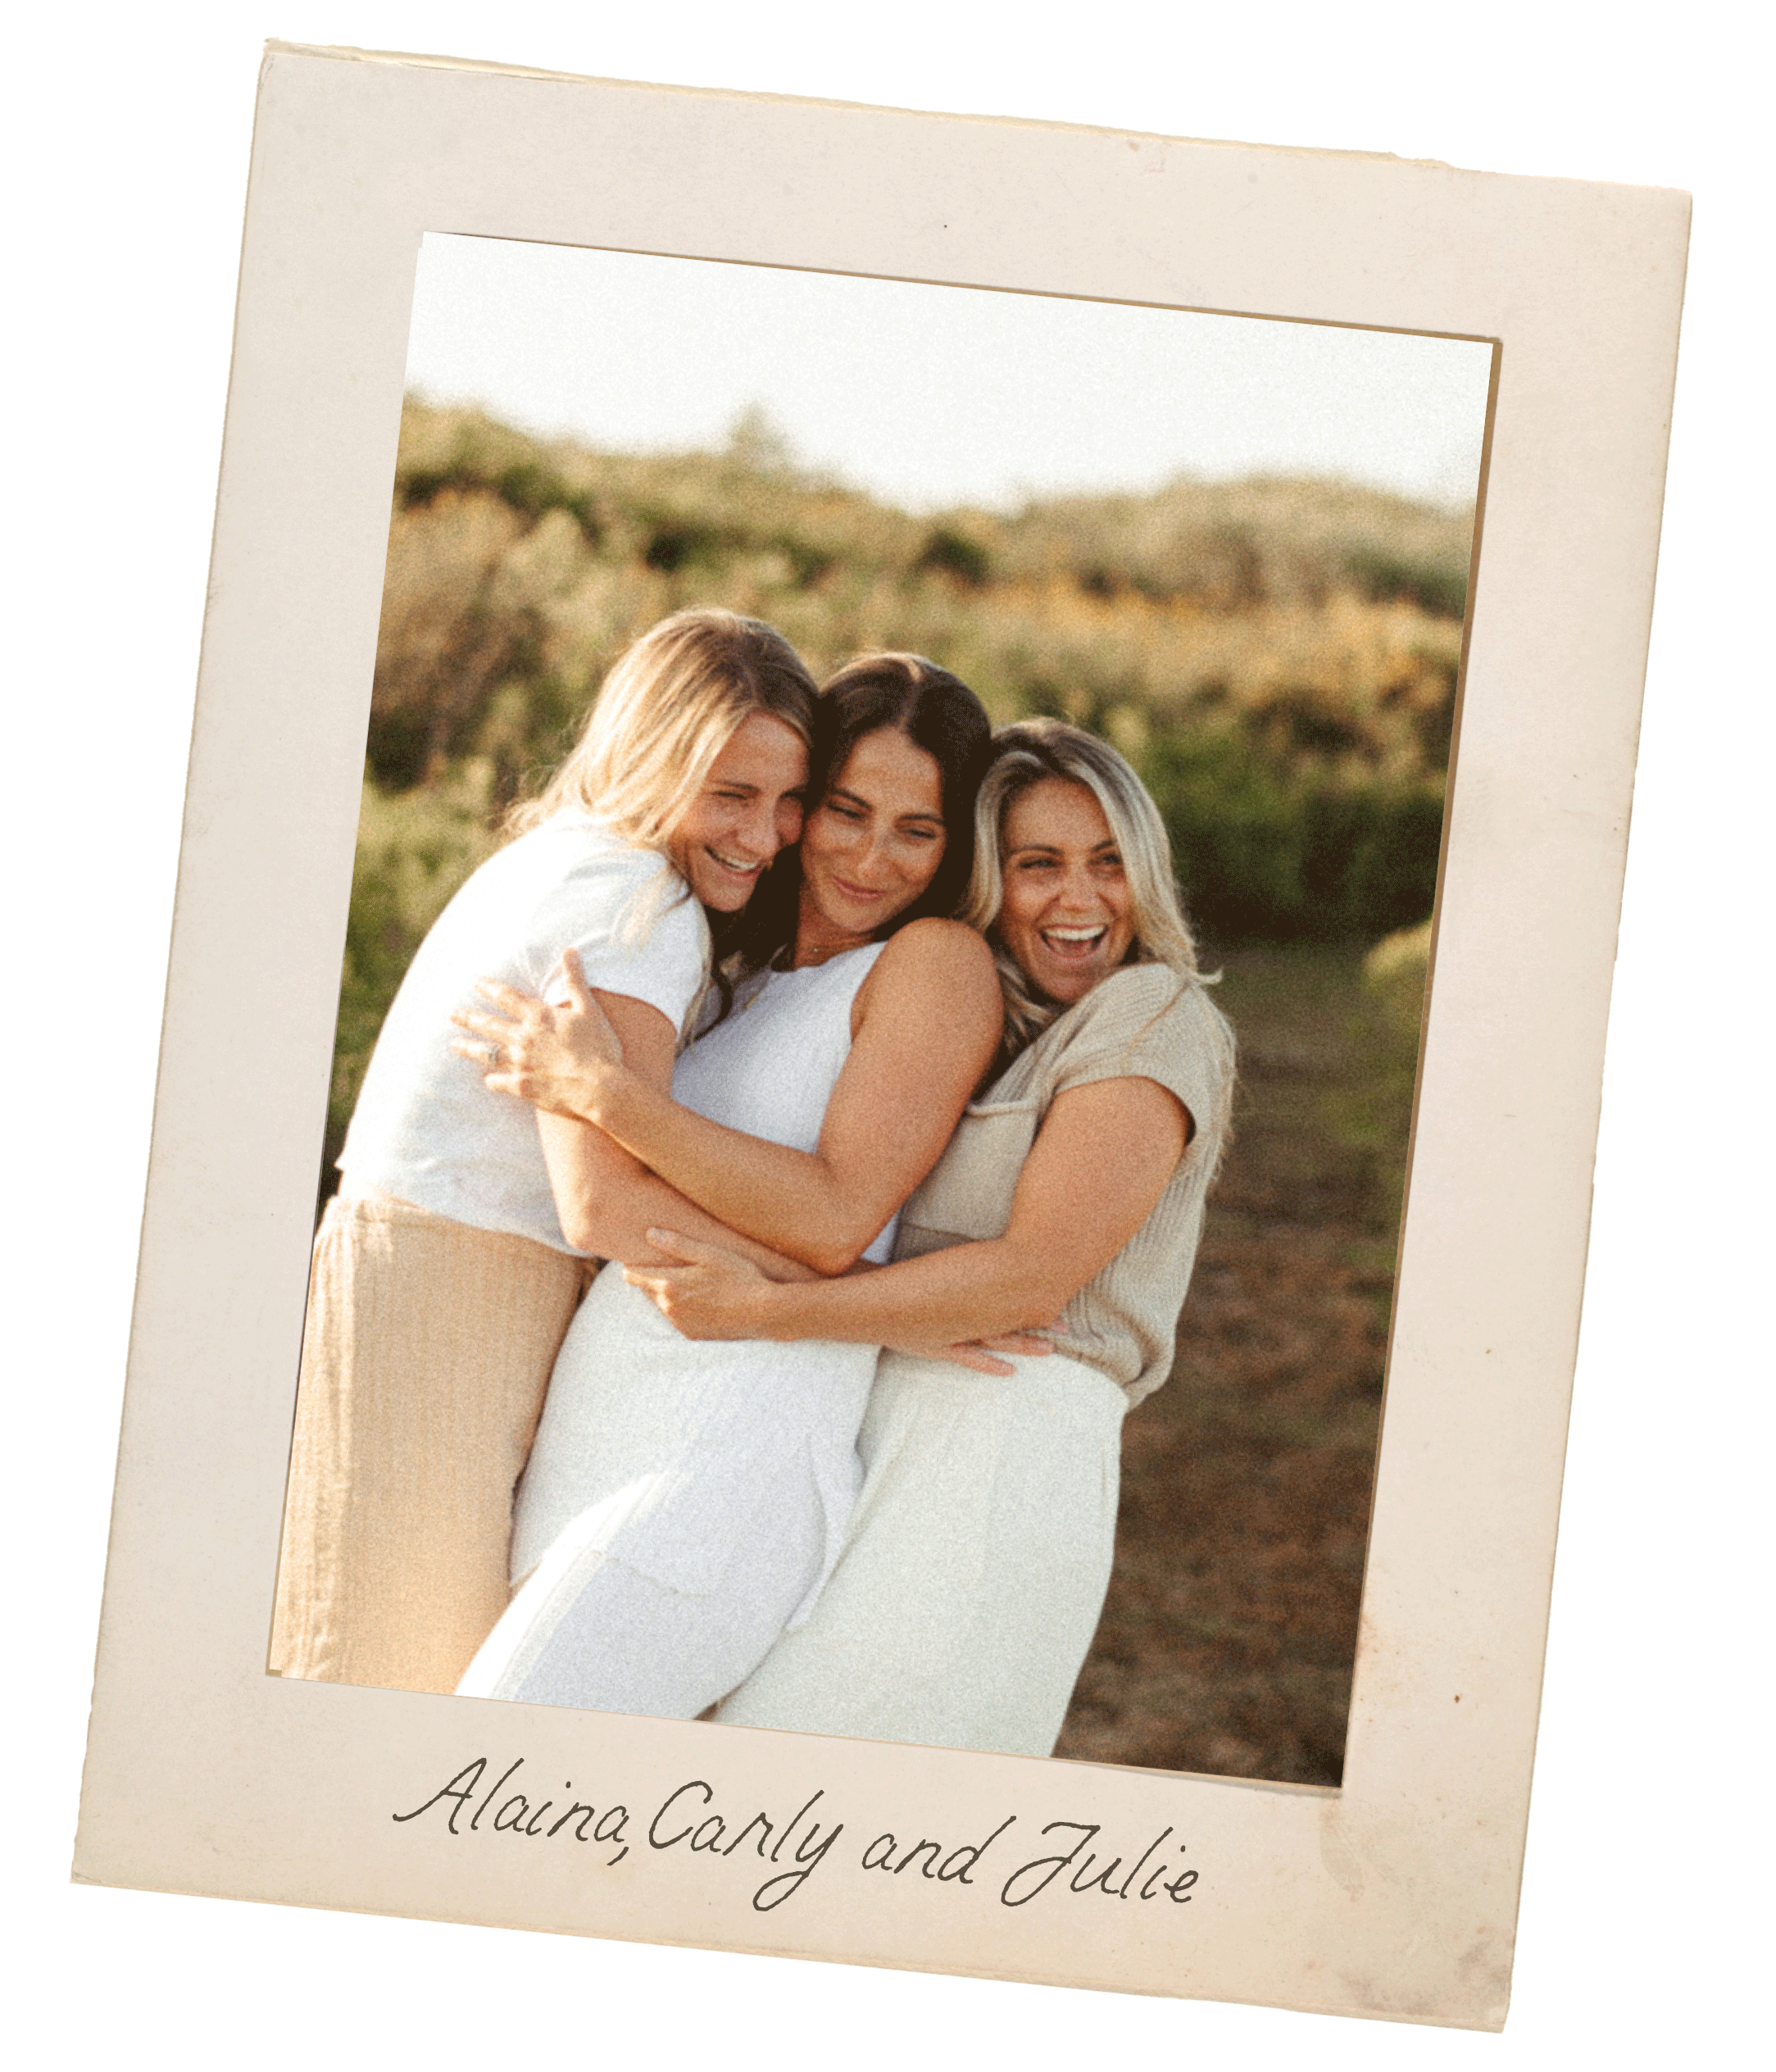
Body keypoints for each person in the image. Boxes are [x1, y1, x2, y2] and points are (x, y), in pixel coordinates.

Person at [619, 718, 1237, 1757]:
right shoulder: (998, 1028)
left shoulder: (1151, 1012)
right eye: (1037, 866)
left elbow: (1029, 1274)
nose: (1076, 900)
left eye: (1107, 864)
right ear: (989, 881)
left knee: (822, 1787)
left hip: (1005, 1445)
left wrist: (771, 1312)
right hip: (892, 1438)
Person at [269, 608, 818, 1696]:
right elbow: (606, 1207)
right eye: (730, 794)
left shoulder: (572, 859)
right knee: (387, 1679)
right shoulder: (635, 902)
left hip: (428, 1264)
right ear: (649, 760)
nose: (766, 834)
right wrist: (845, 1288)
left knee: (364, 1652)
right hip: (451, 1283)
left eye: (789, 798)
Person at [449, 656, 1006, 1720]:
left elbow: (841, 1215)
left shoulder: (931, 963)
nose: (869, 857)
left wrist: (606, 1094)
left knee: (489, 1765)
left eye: (915, 830)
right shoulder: (735, 971)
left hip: (728, 1460)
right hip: (600, 1428)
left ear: (952, 848)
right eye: (843, 810)